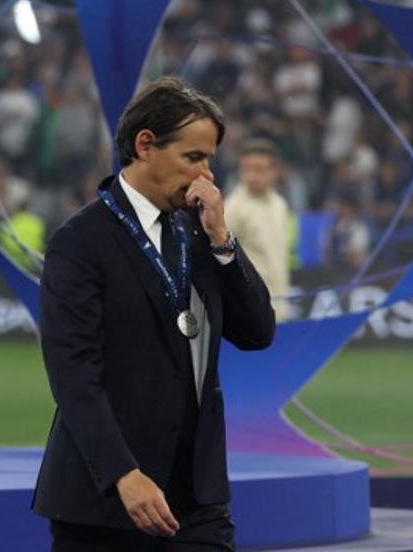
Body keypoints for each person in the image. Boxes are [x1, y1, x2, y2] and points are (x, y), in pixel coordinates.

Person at [32, 76, 276, 551]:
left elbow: (258, 332)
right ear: (146, 145)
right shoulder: (80, 242)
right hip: (105, 502)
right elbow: (74, 373)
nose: (206, 174)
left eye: (209, 159)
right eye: (193, 157)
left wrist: (223, 240)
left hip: (197, 498)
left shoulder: (202, 233)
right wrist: (123, 473)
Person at [224, 138, 294, 321]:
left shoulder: (280, 205)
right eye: (246, 169)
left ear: (275, 171)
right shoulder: (233, 208)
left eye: (259, 169)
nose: (252, 176)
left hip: (279, 304)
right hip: (249, 311)